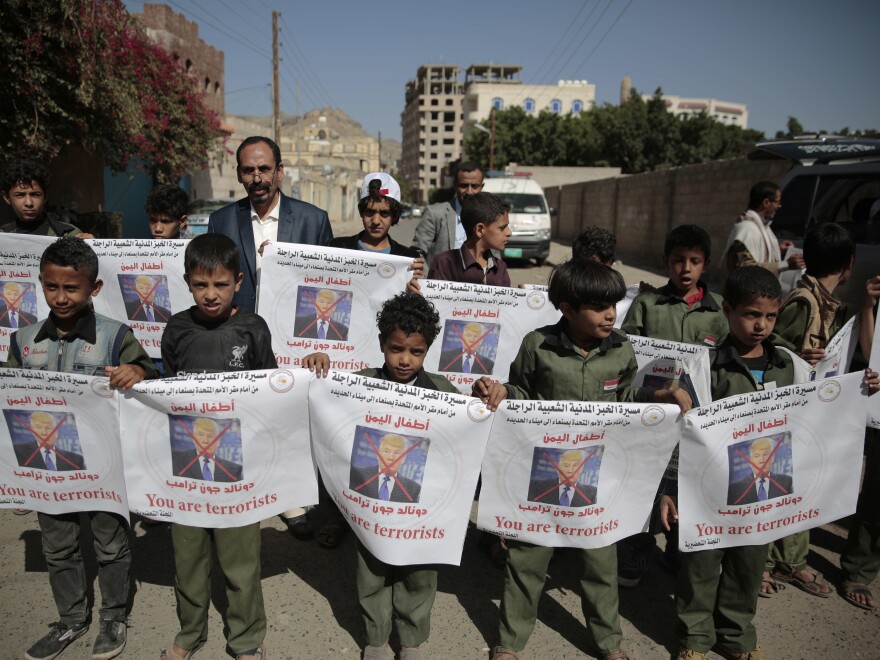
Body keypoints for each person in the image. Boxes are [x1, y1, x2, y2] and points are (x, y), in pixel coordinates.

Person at [473, 259, 690, 660]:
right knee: (527, 560)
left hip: (599, 477)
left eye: (613, 305)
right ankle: (510, 641)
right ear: (568, 309)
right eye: (598, 307)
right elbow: (521, 393)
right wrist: (497, 391)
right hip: (544, 472)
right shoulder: (537, 345)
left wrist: (659, 397)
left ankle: (609, 643)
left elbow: (624, 401)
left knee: (600, 564)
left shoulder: (621, 347)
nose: (610, 314)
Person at [658, 266, 878, 660]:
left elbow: (819, 412)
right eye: (751, 314)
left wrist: (861, 387)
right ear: (727, 310)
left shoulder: (790, 365)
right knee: (701, 568)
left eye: (770, 316)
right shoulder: (703, 367)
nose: (761, 325)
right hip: (712, 490)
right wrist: (670, 488)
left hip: (764, 492)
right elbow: (682, 432)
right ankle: (694, 638)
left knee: (748, 565)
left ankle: (736, 634)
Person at [3, 236, 156, 660]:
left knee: (110, 543)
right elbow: (12, 401)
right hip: (48, 467)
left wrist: (135, 369)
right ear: (40, 283)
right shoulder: (23, 341)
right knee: (58, 545)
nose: (61, 297)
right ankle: (70, 618)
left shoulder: (115, 336)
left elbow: (150, 374)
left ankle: (113, 616)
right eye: (52, 287)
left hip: (104, 466)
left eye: (72, 288)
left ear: (94, 288)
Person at [303, 292, 459, 660]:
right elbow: (324, 402)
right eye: (396, 349)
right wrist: (318, 368)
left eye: (416, 352)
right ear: (381, 344)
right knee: (371, 565)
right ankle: (375, 636)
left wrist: (486, 400)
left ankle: (411, 640)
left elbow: (465, 435)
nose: (404, 360)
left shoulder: (444, 392)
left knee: (420, 570)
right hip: (372, 501)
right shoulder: (359, 384)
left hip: (421, 505)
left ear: (428, 350)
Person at [159, 233, 276, 660]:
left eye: (221, 284)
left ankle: (245, 637)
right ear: (188, 282)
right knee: (188, 557)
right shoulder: (176, 329)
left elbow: (270, 395)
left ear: (238, 282)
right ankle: (190, 632)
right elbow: (169, 391)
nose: (211, 295)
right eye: (201, 285)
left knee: (240, 559)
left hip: (238, 468)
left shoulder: (253, 329)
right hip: (188, 465)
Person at [764, 223, 879, 600]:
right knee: (778, 486)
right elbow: (768, 343)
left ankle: (791, 560)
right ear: (849, 265)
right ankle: (766, 563)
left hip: (810, 414)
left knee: (803, 488)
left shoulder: (829, 304)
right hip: (788, 414)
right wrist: (794, 354)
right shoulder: (803, 302)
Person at [618, 224, 729, 586]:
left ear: (705, 265)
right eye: (678, 260)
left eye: (694, 261)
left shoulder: (717, 315)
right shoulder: (647, 304)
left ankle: (678, 547)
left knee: (686, 480)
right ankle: (636, 543)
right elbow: (627, 352)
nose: (685, 268)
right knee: (644, 478)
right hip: (652, 412)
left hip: (695, 418)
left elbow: (730, 357)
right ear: (666, 261)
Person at [208, 135, 332, 313]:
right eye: (249, 170)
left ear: (279, 171)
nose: (257, 179)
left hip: (292, 331)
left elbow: (328, 282)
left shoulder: (313, 221)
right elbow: (210, 280)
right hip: (238, 331)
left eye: (264, 169)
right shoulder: (220, 222)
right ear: (238, 175)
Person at [427, 192, 512, 286]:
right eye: (502, 228)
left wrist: (522, 297)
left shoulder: (500, 268)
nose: (509, 233)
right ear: (480, 230)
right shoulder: (444, 264)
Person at [722, 181, 804, 277]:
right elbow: (746, 267)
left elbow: (758, 251)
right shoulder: (746, 229)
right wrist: (786, 264)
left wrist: (778, 249)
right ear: (766, 202)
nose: (779, 206)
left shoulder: (761, 226)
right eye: (777, 202)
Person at [411, 161, 484, 267]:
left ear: (482, 186)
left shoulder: (489, 217)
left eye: (474, 186)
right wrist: (427, 278)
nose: (469, 191)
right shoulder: (435, 213)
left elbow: (495, 258)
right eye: (464, 185)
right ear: (455, 185)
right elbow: (417, 251)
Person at [1, 160, 91, 237]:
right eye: (20, 195)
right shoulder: (3, 237)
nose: (29, 203)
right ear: (7, 197)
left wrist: (91, 246)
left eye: (35, 194)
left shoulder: (68, 235)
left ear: (45, 196)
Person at [349, 433, 423, 503]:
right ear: (378, 454)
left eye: (397, 453)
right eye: (387, 451)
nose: (391, 458)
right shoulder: (358, 476)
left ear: (403, 458)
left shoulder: (413, 490)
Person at [171, 417, 243, 482]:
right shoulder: (176, 461)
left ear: (218, 442)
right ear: (193, 439)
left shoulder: (234, 470)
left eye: (210, 436)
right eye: (200, 435)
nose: (205, 441)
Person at [726, 437, 793, 505]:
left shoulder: (787, 482)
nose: (762, 460)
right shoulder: (735, 490)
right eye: (756, 456)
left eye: (765, 455)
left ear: (772, 458)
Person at [12, 411, 86, 471]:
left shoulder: (76, 460)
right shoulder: (18, 452)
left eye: (48, 428)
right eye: (39, 427)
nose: (44, 432)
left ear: (57, 432)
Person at [527, 449, 598, 507]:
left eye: (575, 466)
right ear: (558, 468)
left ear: (581, 469)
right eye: (566, 465)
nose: (570, 471)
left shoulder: (592, 493)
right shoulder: (536, 487)